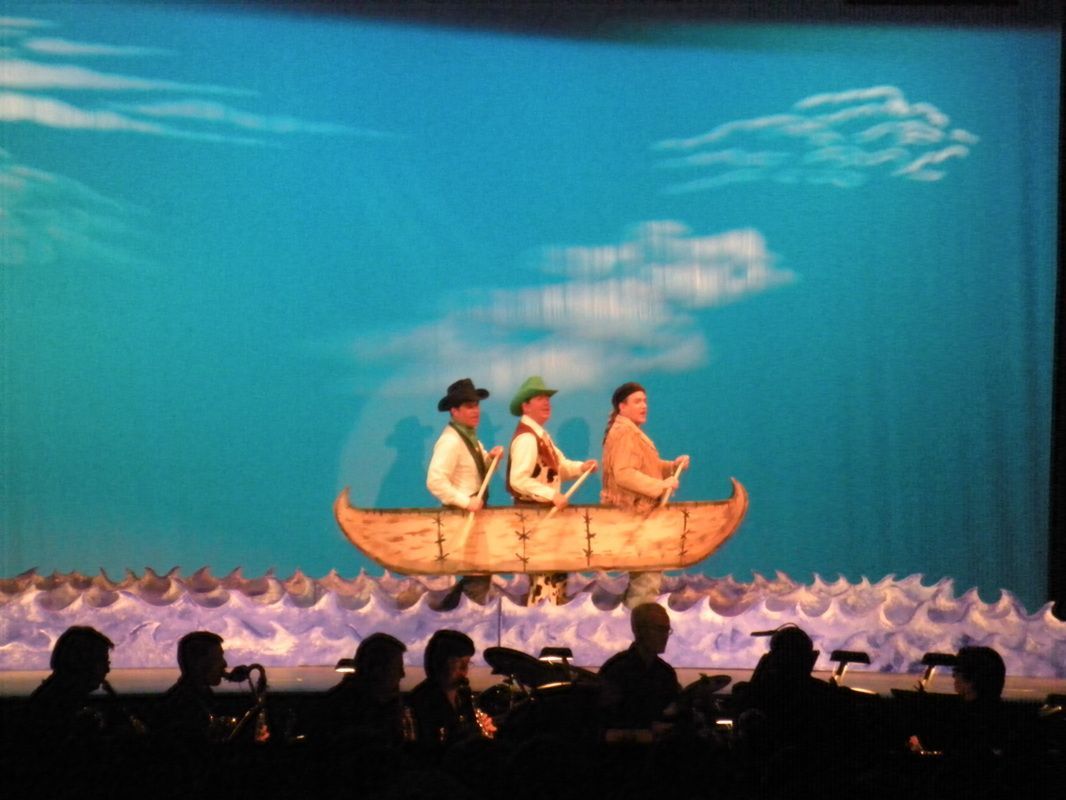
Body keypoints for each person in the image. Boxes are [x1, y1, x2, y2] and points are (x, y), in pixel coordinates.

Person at [506, 375, 597, 604]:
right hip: (536, 518)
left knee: (554, 576)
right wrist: (551, 495)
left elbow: (558, 468)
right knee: (543, 579)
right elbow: (518, 479)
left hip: (547, 518)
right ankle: (539, 617)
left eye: (547, 398)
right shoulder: (527, 439)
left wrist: (580, 468)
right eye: (539, 398)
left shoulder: (541, 436)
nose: (546, 402)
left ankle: (550, 614)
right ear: (526, 405)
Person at [600, 382, 689, 607]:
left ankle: (636, 619)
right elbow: (624, 474)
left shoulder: (630, 432)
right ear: (622, 407)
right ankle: (639, 620)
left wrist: (671, 467)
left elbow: (644, 466)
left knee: (646, 575)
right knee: (646, 576)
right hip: (634, 513)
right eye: (637, 401)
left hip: (638, 513)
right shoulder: (624, 433)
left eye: (645, 401)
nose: (644, 406)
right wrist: (660, 486)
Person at [427, 378, 504, 608]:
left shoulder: (469, 438)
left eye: (476, 405)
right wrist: (465, 501)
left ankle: (454, 611)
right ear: (454, 410)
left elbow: (477, 471)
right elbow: (435, 481)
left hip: (473, 515)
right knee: (477, 571)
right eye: (469, 406)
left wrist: (491, 459)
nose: (476, 411)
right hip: (462, 517)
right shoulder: (450, 441)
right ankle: (466, 614)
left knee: (479, 572)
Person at [406, 629, 492, 752]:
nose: (464, 669)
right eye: (457, 662)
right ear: (439, 663)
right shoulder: (420, 700)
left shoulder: (464, 695)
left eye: (467, 662)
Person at [26, 625, 115, 745]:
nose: (107, 669)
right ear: (82, 662)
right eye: (102, 661)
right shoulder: (55, 708)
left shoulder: (54, 698)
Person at [598, 603, 681, 729]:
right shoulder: (616, 671)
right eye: (659, 629)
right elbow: (606, 719)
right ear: (639, 630)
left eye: (667, 630)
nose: (664, 635)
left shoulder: (666, 673)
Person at [322, 633, 408, 747]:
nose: (402, 674)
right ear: (375, 669)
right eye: (397, 667)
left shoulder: (390, 705)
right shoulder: (344, 712)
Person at [156, 630, 230, 744]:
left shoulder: (199, 695)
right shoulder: (183, 707)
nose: (224, 664)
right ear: (199, 663)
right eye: (218, 658)